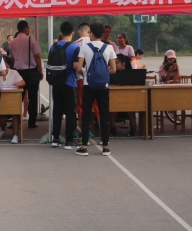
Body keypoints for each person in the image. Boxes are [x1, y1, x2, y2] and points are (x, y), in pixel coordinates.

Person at [74, 22, 117, 157]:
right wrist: (103, 73)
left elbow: (79, 68)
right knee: (104, 114)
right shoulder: (109, 47)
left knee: (86, 114)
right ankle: (105, 146)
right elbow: (114, 69)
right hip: (104, 85)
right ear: (103, 34)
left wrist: (85, 74)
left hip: (89, 84)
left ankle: (84, 146)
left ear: (91, 33)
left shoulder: (85, 47)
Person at [50, 22, 81, 150]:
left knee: (57, 110)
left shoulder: (53, 46)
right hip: (69, 82)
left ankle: (55, 138)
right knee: (70, 112)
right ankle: (69, 140)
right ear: (72, 33)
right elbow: (76, 66)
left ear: (61, 33)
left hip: (56, 82)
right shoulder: (75, 48)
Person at [9, 20, 43, 129]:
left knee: (17, 98)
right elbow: (37, 56)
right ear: (25, 29)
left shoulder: (12, 42)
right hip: (31, 71)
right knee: (33, 98)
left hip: (18, 73)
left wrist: (18, 63)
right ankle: (31, 122)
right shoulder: (31, 40)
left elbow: (12, 58)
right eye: (28, 28)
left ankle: (15, 122)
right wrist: (40, 70)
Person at [109, 54, 138, 137]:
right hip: (115, 97)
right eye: (113, 63)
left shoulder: (130, 73)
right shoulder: (112, 73)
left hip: (128, 97)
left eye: (117, 63)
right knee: (114, 105)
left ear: (123, 63)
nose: (115, 65)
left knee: (129, 105)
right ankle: (112, 126)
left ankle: (133, 126)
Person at [0, 56, 24, 144]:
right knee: (2, 118)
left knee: (15, 113)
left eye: (5, 66)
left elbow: (23, 82)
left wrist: (19, 84)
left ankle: (15, 135)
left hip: (13, 100)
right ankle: (2, 130)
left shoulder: (14, 72)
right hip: (1, 100)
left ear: (8, 65)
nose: (3, 68)